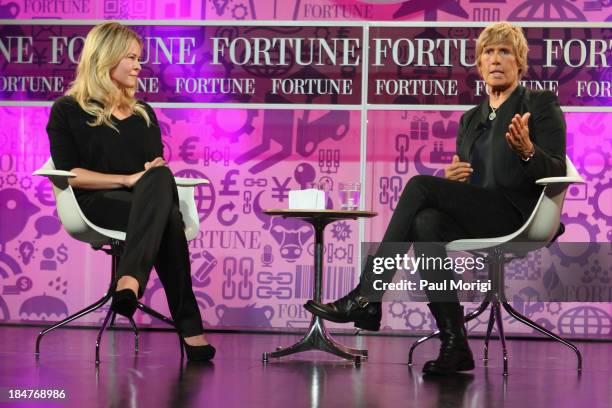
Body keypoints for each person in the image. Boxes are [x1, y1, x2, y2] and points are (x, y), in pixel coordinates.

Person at [305, 22, 566, 374]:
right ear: (479, 65)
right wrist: (452, 183)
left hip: (521, 214)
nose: (496, 59)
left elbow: (556, 167)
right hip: (482, 211)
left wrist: (527, 151)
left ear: (520, 62)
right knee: (425, 221)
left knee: (419, 187)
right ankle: (455, 344)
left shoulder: (539, 104)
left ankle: (368, 296)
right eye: (488, 52)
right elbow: (473, 185)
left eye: (505, 51)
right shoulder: (470, 119)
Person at [46, 22, 215, 362]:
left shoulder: (143, 113)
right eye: (132, 58)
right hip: (96, 203)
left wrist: (145, 177)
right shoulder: (67, 110)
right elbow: (71, 174)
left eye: (139, 59)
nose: (139, 66)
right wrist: (125, 180)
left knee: (160, 179)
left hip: (144, 201)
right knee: (167, 217)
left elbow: (153, 173)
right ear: (106, 58)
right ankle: (189, 327)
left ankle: (129, 282)